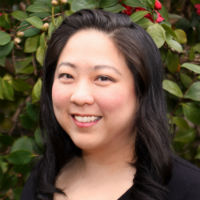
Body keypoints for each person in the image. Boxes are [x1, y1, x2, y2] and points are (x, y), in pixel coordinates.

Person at [21, 9, 200, 200]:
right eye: (67, 76)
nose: (80, 96)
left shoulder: (188, 190)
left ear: (141, 90)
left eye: (103, 78)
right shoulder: (42, 179)